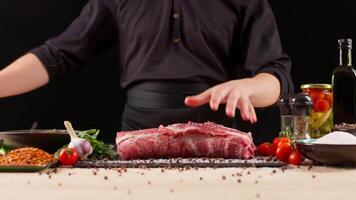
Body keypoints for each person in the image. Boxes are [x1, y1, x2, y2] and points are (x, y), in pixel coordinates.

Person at [0, 0, 293, 131]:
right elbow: (58, 55)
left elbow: (277, 77)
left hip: (216, 136)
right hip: (137, 137)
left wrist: (249, 86)